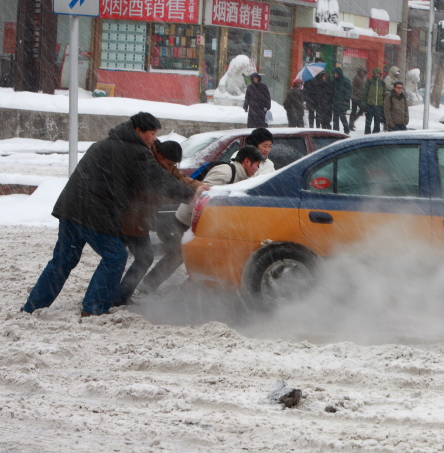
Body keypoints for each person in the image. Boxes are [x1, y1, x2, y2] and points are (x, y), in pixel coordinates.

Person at [21, 112, 199, 317]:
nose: (154, 138)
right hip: (92, 212)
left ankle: (33, 306)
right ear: (138, 131)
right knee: (115, 256)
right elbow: (158, 179)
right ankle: (93, 307)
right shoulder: (134, 151)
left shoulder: (107, 144)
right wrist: (190, 196)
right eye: (151, 133)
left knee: (62, 261)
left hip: (71, 208)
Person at [139, 145, 265, 294]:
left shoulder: (240, 176)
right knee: (179, 254)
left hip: (204, 221)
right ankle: (154, 285)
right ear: (247, 162)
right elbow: (204, 194)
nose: (257, 169)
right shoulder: (226, 172)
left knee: (186, 255)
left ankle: (174, 286)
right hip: (190, 219)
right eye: (257, 165)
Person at [116, 140, 206, 307]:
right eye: (169, 163)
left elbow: (181, 178)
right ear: (160, 154)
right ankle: (110, 296)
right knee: (118, 257)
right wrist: (190, 196)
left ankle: (121, 295)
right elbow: (168, 185)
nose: (171, 167)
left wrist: (202, 187)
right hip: (128, 216)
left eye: (174, 164)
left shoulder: (167, 165)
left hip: (142, 217)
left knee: (142, 257)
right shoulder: (149, 166)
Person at [362, 67, 386, 134]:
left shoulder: (382, 83)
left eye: (379, 74)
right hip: (370, 105)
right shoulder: (369, 82)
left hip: (379, 106)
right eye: (376, 73)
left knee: (377, 122)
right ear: (374, 74)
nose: (377, 75)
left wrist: (384, 104)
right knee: (368, 122)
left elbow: (384, 94)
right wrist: (364, 103)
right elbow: (365, 93)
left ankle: (375, 134)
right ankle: (367, 134)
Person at [332, 67, 353, 134]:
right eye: (334, 73)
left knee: (342, 117)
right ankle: (335, 131)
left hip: (343, 103)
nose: (335, 75)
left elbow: (349, 91)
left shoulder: (346, 81)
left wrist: (345, 99)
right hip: (336, 102)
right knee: (335, 118)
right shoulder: (334, 81)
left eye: (336, 73)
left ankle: (346, 130)